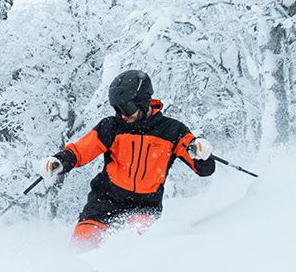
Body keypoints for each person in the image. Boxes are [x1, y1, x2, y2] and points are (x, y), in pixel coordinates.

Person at [39, 69, 215, 248]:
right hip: (105, 201)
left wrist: (202, 154)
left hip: (145, 206)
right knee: (84, 242)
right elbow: (82, 149)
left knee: (133, 243)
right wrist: (60, 161)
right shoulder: (112, 127)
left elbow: (204, 169)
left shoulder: (171, 131)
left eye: (127, 108)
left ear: (143, 102)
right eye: (117, 109)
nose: (122, 114)